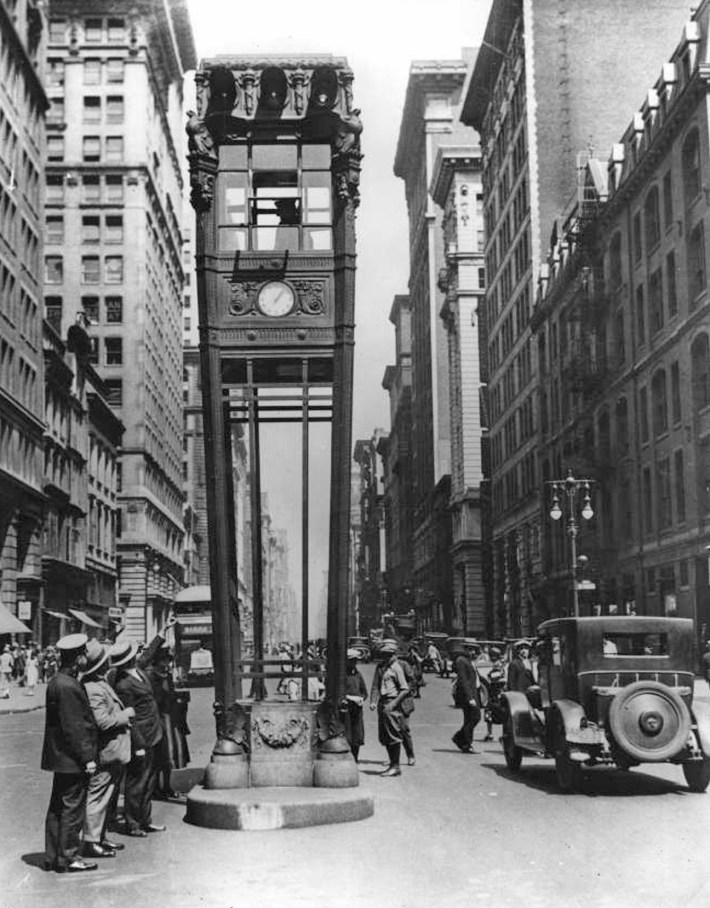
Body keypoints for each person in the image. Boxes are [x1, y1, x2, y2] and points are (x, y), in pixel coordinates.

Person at [41, 633, 98, 873]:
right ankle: (69, 856)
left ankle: (54, 856)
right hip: (72, 759)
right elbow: (75, 726)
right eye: (84, 654)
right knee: (72, 808)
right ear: (78, 658)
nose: (86, 658)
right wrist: (88, 758)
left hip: (60, 757)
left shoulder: (57, 681)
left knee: (58, 807)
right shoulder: (69, 686)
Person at [81, 639, 134, 859]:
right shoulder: (93, 688)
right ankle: (91, 841)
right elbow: (102, 721)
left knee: (108, 796)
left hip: (114, 751)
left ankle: (100, 837)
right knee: (97, 797)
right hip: (106, 751)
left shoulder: (99, 683)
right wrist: (125, 715)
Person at [109, 637, 165, 837]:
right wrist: (138, 744)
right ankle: (133, 824)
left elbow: (147, 656)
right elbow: (129, 717)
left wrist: (161, 634)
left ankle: (145, 820)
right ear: (130, 659)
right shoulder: (123, 684)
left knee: (149, 780)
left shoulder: (137, 671)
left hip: (154, 733)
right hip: (141, 737)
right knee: (136, 782)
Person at [369, 639, 410, 777]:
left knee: (393, 734)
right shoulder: (381, 667)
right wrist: (373, 701)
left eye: (390, 654)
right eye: (385, 654)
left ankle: (395, 766)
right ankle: (392, 763)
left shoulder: (397, 668)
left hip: (392, 702)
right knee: (385, 736)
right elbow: (375, 685)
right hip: (383, 702)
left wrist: (393, 704)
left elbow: (405, 689)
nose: (388, 657)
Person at [451, 644, 482, 754]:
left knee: (471, 719)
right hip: (467, 695)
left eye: (474, 650)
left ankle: (463, 741)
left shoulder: (470, 661)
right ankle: (464, 741)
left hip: (474, 692)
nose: (472, 652)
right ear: (465, 650)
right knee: (474, 717)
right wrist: (469, 697)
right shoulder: (461, 660)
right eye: (470, 649)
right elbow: (463, 680)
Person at [340, 648, 368, 762]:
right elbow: (339, 693)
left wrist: (361, 699)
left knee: (357, 735)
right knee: (348, 735)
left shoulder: (358, 675)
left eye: (355, 660)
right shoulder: (342, 675)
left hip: (357, 710)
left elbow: (364, 692)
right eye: (352, 660)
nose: (354, 663)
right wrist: (348, 698)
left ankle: (355, 759)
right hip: (346, 709)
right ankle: (348, 759)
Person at [483, 646, 506, 742]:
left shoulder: (498, 665)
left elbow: (494, 676)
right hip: (497, 691)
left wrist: (489, 676)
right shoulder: (501, 663)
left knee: (490, 712)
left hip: (497, 691)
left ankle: (490, 733)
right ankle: (496, 733)